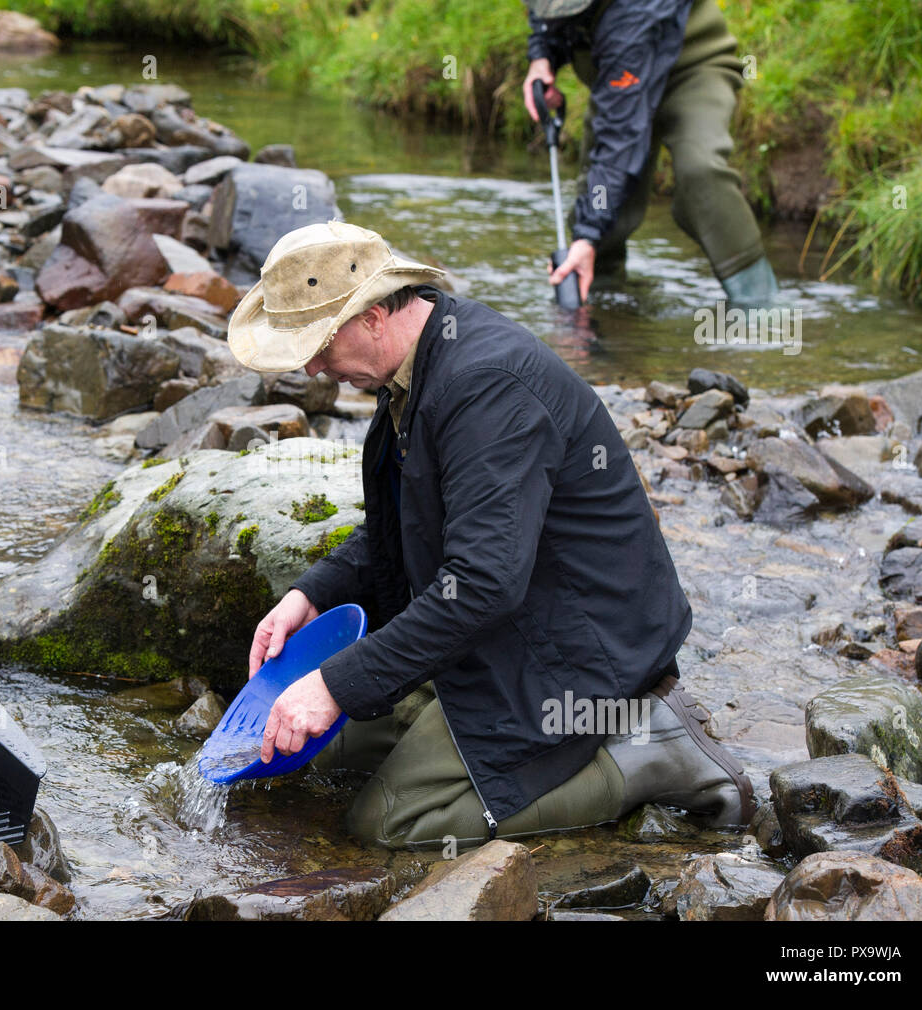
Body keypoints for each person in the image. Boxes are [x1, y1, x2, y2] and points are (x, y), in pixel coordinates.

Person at [227, 220, 752, 851]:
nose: (312, 366)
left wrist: (336, 682)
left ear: (371, 316)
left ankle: (654, 752)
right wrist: (309, 595)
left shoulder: (486, 387)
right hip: (508, 621)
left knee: (391, 823)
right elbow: (404, 527)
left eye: (317, 343)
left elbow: (482, 583)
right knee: (329, 751)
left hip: (580, 653)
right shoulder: (415, 370)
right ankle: (447, 726)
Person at [523, 0, 779, 306]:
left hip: (690, 71)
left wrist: (588, 234)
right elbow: (546, 20)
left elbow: (617, 142)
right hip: (618, 83)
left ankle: (761, 304)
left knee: (700, 173)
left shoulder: (631, 16)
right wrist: (542, 58)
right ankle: (600, 303)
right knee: (598, 198)